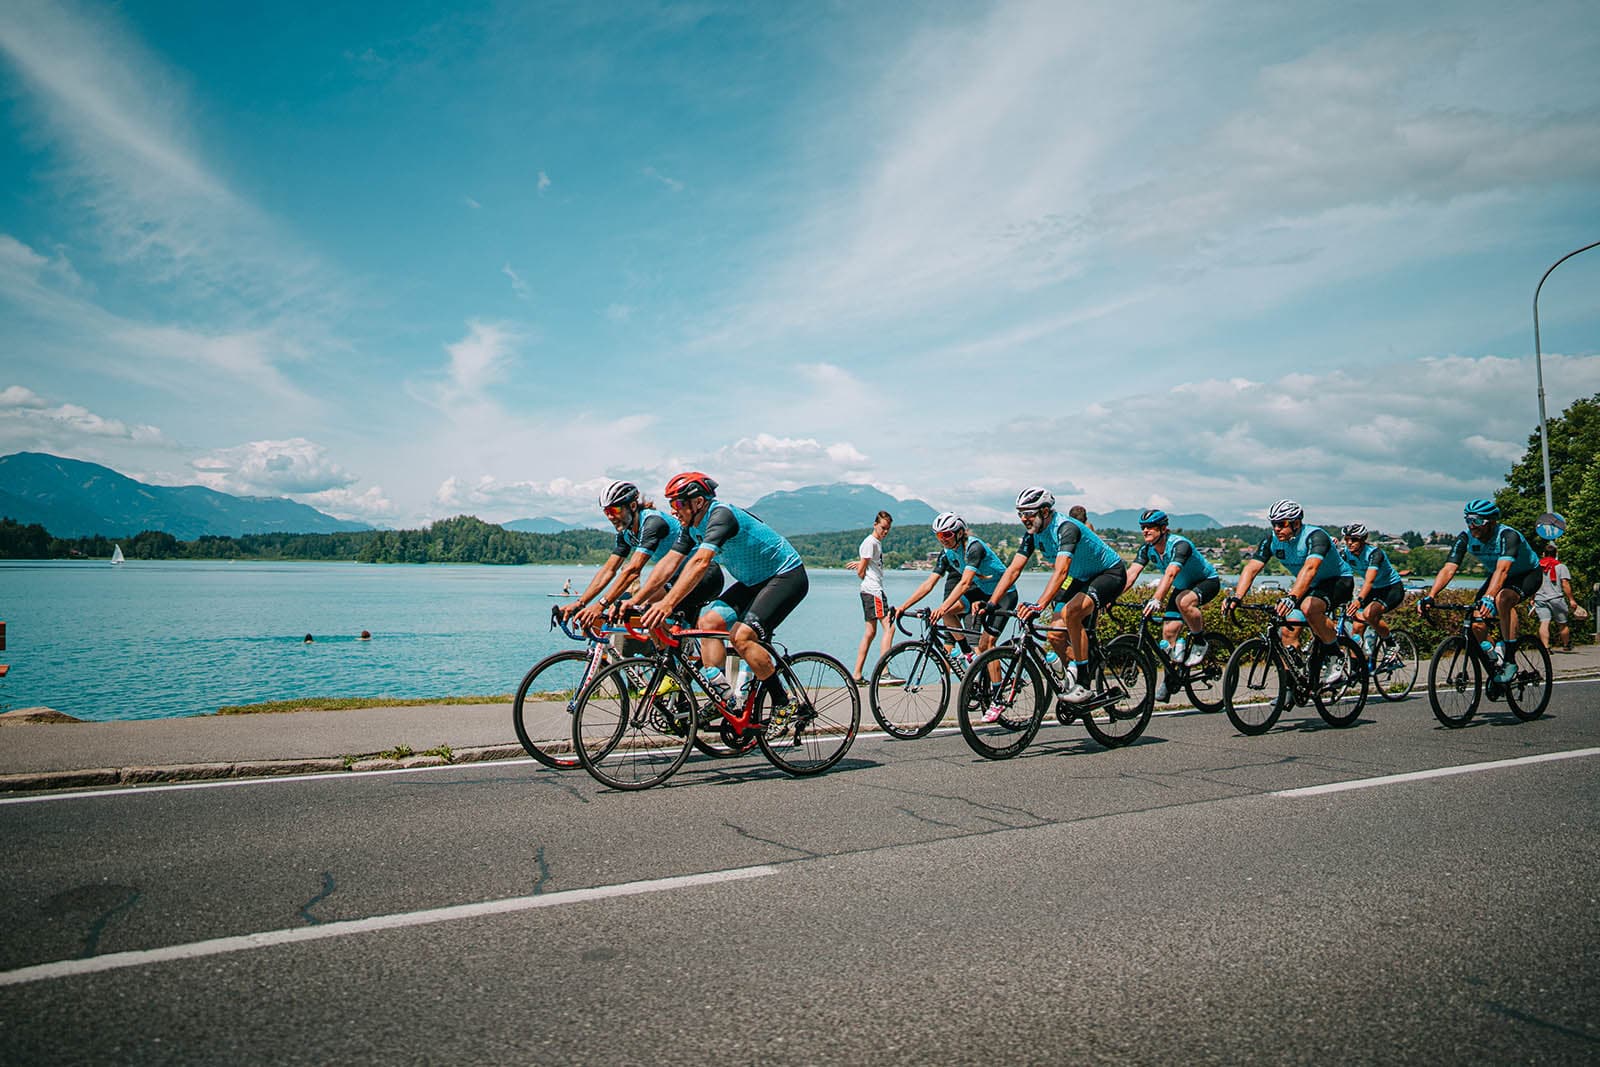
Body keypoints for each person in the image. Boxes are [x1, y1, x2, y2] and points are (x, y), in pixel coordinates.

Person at [631, 473, 810, 731]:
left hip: (786, 576)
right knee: (709, 623)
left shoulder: (720, 516)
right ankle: (721, 695)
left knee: (742, 638)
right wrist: (637, 600)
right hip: (753, 582)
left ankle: (784, 702)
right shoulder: (690, 528)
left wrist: (668, 603)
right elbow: (669, 562)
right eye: (670, 504)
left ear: (699, 502)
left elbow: (700, 562)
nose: (674, 510)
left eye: (678, 504)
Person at [984, 487, 1127, 705]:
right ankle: (1079, 666)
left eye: (1029, 513)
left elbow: (1061, 571)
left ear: (1045, 511)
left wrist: (1039, 605)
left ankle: (1084, 684)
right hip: (1081, 577)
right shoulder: (1033, 534)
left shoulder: (1065, 528)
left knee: (1071, 614)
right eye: (1020, 513)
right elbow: (1013, 570)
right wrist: (992, 603)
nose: (1024, 519)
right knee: (1055, 636)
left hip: (1109, 573)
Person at [562, 481, 726, 645]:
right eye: (606, 512)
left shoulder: (653, 523)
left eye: (615, 510)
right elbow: (609, 570)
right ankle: (668, 664)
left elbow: (633, 570)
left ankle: (679, 661)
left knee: (646, 608)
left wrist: (601, 604)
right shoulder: (626, 534)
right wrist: (580, 603)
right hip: (676, 580)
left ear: (632, 506)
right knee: (637, 610)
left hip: (703, 577)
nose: (610, 516)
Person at [896, 514, 1019, 714]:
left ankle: (998, 699)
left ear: (960, 533)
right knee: (949, 614)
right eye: (938, 535)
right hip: (981, 590)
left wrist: (943, 606)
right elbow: (929, 584)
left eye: (947, 534)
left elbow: (964, 583)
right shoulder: (947, 554)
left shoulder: (974, 547)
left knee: (986, 644)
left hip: (1003, 593)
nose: (943, 538)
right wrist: (904, 606)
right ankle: (968, 654)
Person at [1224, 500, 1353, 685]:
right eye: (1273, 524)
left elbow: (1310, 568)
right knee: (1287, 632)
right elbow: (1251, 568)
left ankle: (1335, 654)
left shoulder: (1315, 536)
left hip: (1338, 580)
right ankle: (1291, 688)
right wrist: (1237, 597)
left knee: (1309, 607)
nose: (1276, 528)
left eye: (1282, 523)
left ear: (1296, 523)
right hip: (1310, 585)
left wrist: (1292, 598)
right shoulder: (1272, 540)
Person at [1418, 498, 1542, 684]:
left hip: (1527, 574)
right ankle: (1495, 657)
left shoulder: (1508, 536)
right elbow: (1449, 569)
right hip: (1498, 576)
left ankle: (1509, 657)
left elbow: (1503, 570)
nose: (1472, 526)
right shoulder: (1466, 538)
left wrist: (1489, 597)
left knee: (1503, 599)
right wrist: (1431, 595)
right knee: (1476, 622)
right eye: (1468, 520)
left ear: (1491, 522)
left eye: (1477, 521)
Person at [1122, 508, 1220, 700]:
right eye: (1143, 527)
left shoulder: (1179, 545)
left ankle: (1200, 641)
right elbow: (1131, 575)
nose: (1145, 531)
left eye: (1150, 527)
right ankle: (1171, 678)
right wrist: (1110, 596)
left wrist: (1156, 599)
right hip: (1182, 587)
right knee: (1168, 635)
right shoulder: (1147, 549)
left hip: (1206, 581)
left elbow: (1171, 573)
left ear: (1163, 528)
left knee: (1184, 601)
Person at [1339, 523, 1404, 657]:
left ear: (1363, 539)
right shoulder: (1346, 553)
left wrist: (1359, 600)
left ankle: (1391, 643)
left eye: (1354, 540)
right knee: (1356, 629)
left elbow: (1369, 581)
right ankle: (1358, 669)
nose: (1349, 543)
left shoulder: (1375, 554)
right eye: (1346, 539)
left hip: (1391, 588)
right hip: (1373, 590)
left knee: (1369, 614)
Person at [850, 511, 895, 684]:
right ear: (875, 524)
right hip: (874, 591)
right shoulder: (870, 543)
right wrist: (862, 567)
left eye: (888, 529)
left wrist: (862, 564)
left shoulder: (873, 543)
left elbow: (866, 564)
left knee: (870, 632)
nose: (885, 532)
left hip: (870, 591)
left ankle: (857, 674)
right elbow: (861, 573)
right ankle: (884, 672)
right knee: (889, 627)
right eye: (883, 528)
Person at [1534, 541, 1580, 653]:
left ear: (1544, 554)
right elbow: (1565, 584)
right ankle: (1566, 645)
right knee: (1562, 623)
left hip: (1540, 598)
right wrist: (1571, 600)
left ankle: (1545, 647)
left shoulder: (1537, 567)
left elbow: (1534, 583)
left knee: (1544, 622)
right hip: (1556, 598)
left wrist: (1532, 598)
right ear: (1556, 554)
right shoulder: (1560, 567)